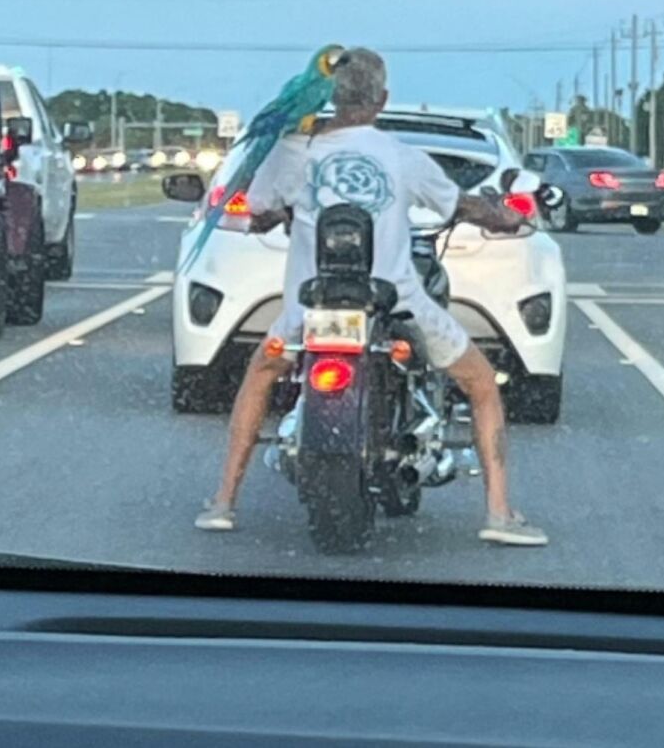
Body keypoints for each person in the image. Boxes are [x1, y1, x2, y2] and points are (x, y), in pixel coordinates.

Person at [195, 47, 548, 546]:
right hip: (397, 303)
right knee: (482, 383)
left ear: (329, 98)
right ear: (382, 100)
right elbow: (462, 205)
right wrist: (504, 215)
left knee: (260, 375)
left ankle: (223, 501)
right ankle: (499, 514)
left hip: (309, 309)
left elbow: (255, 212)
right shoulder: (402, 157)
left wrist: (277, 214)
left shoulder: (296, 151)